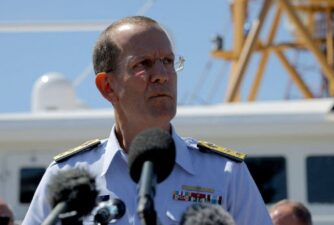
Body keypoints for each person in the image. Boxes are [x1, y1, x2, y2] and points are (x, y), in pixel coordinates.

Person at [23, 16, 272, 225]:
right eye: (144, 64)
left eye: (168, 62)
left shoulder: (225, 174)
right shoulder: (67, 180)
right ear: (108, 86)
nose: (162, 76)